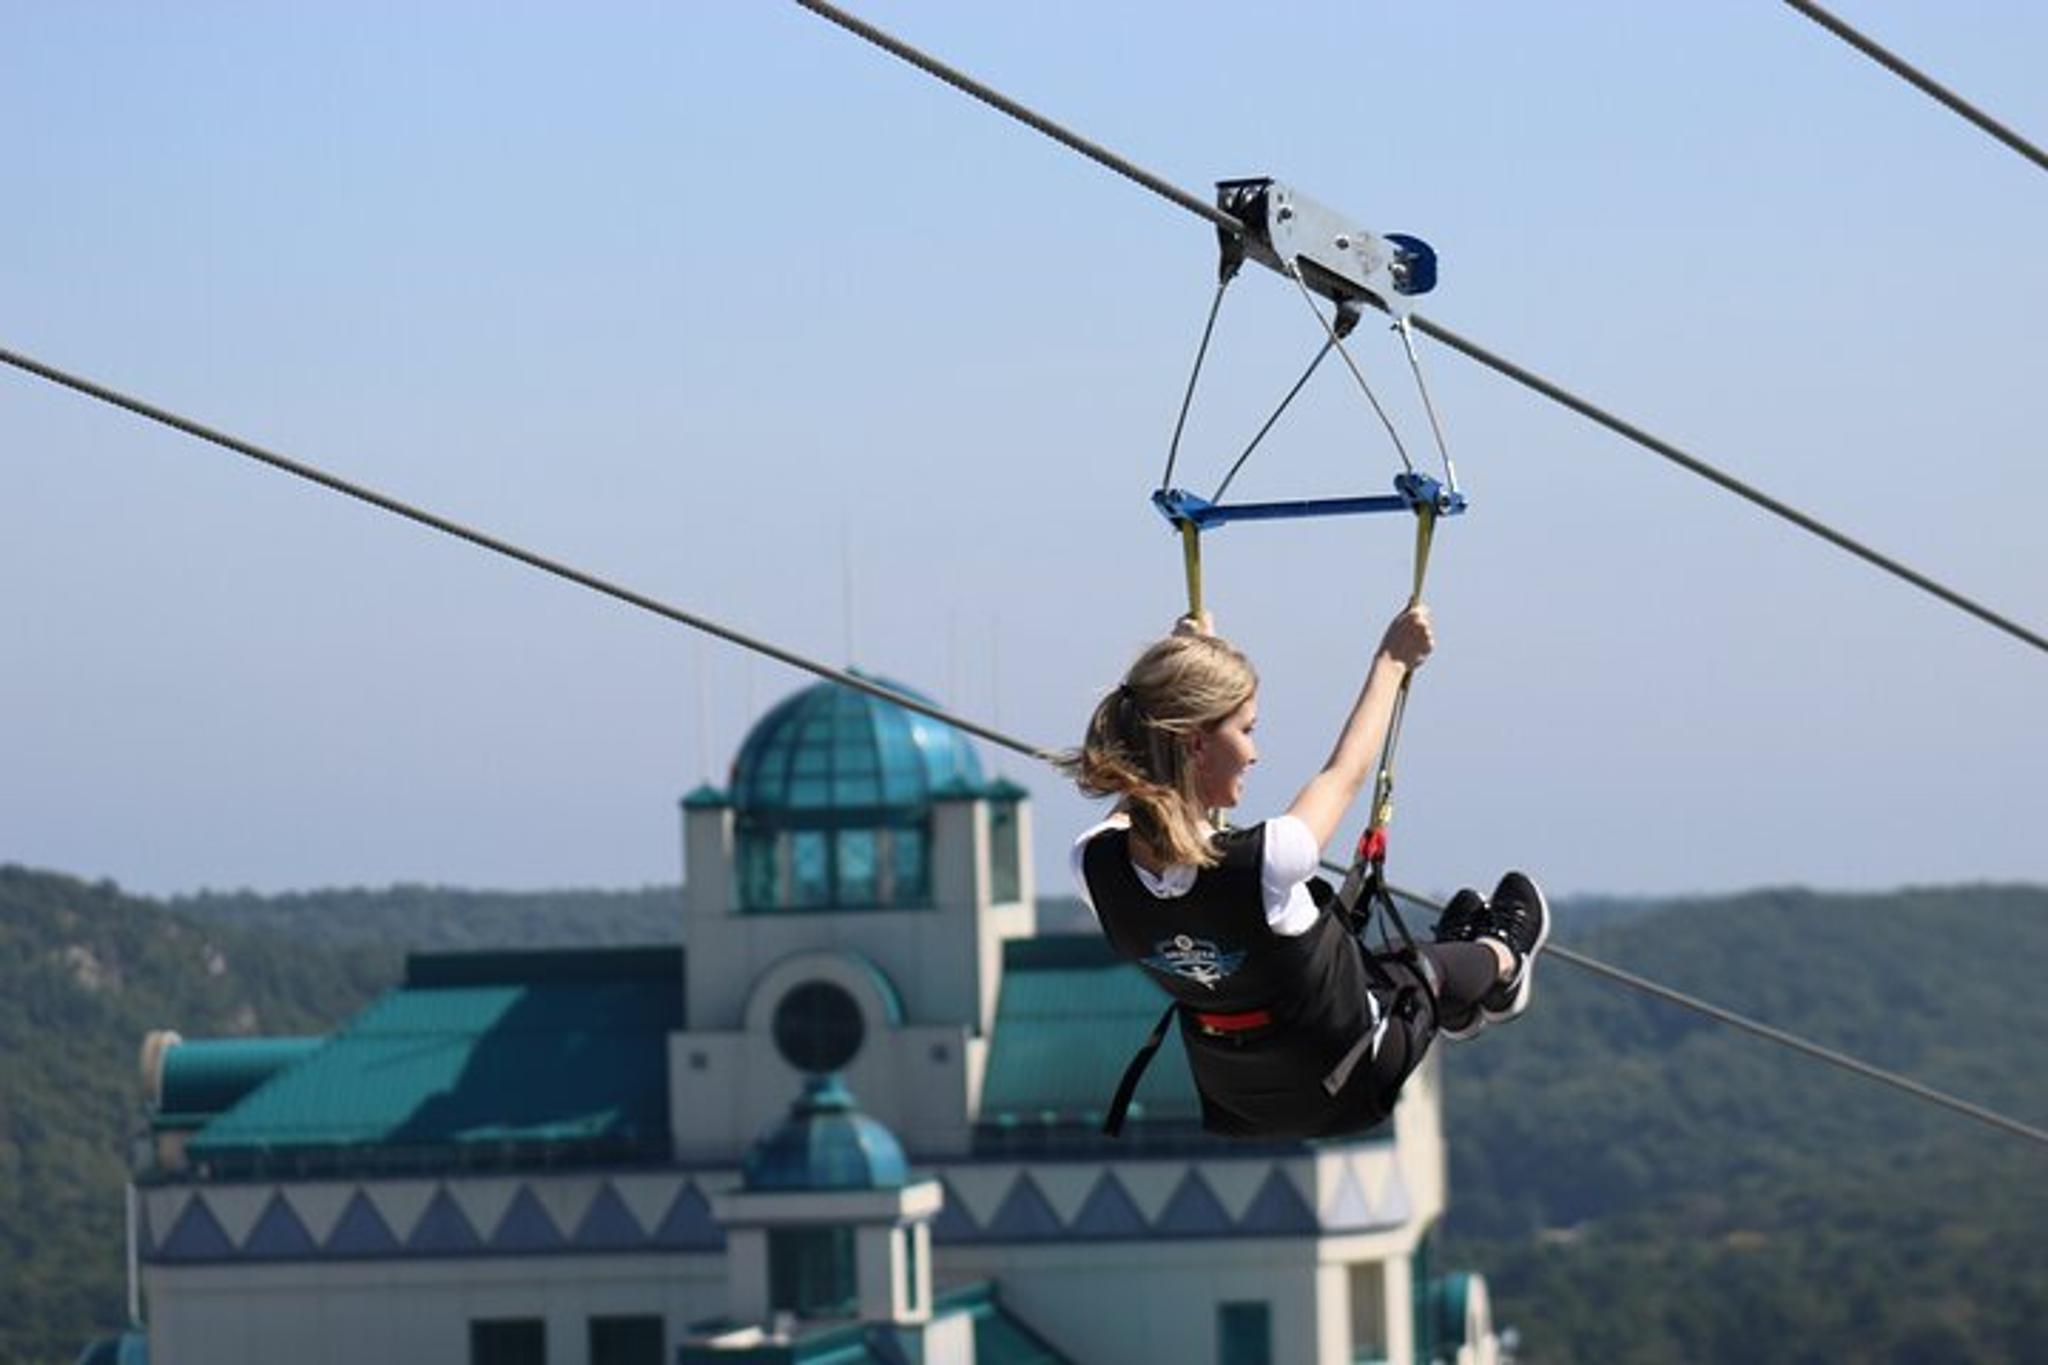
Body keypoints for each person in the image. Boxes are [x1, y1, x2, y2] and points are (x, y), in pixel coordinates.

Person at [1062, 603, 1549, 1140]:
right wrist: (1392, 660)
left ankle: (1457, 1002)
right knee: (1423, 973)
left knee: (1373, 965)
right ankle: (1504, 964)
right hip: (1351, 1075)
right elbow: (1345, 773)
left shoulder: (1095, 868)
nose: (1254, 754)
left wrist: (1190, 669)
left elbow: (1143, 786)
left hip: (1242, 1099)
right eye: (1247, 730)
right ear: (1198, 744)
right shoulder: (1266, 861)